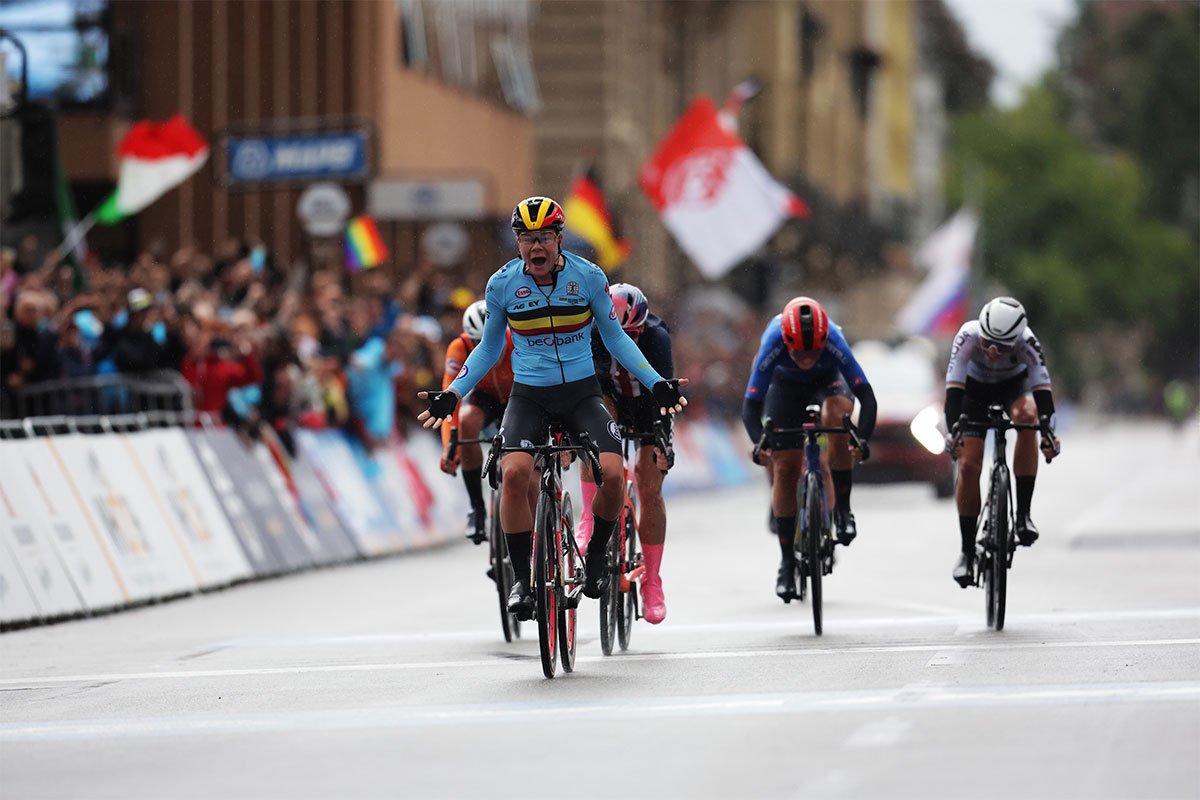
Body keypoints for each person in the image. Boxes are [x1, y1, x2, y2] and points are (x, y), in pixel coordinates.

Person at [418, 196, 687, 621]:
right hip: (529, 396)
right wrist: (453, 393)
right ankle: (523, 581)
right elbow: (488, 350)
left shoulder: (589, 277)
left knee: (614, 476)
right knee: (513, 474)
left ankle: (597, 554)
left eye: (543, 237)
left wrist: (658, 385)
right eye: (526, 239)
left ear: (559, 239)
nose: (535, 247)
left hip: (581, 394)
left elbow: (616, 339)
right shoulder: (501, 284)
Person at [741, 296, 876, 602]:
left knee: (838, 418)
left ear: (823, 341)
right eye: (799, 352)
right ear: (786, 342)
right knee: (785, 468)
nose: (806, 358)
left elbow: (866, 396)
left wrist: (862, 438)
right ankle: (787, 563)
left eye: (814, 350)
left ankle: (842, 509)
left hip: (829, 381)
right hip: (784, 386)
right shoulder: (773, 342)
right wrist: (758, 442)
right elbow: (751, 406)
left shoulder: (834, 340)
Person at [577, 282, 676, 624]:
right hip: (611, 401)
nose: (627, 342)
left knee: (650, 487)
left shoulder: (658, 338)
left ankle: (652, 580)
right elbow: (588, 389)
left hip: (649, 407)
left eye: (634, 334)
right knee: (593, 428)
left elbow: (665, 393)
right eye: (620, 335)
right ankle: (589, 521)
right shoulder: (592, 334)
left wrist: (662, 440)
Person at [945, 296, 1060, 587]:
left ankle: (1022, 515)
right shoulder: (967, 336)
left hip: (1014, 387)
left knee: (1028, 416)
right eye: (988, 343)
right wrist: (952, 433)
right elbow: (953, 393)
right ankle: (967, 551)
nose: (993, 352)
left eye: (1002, 346)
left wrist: (1049, 435)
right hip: (973, 392)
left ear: (1017, 340)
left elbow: (1044, 397)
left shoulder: (1028, 342)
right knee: (969, 465)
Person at [438, 300, 517, 543]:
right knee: (466, 423)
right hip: (485, 397)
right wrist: (450, 448)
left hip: (517, 396)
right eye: (478, 344)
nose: (487, 349)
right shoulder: (458, 348)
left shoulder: (517, 339)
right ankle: (477, 508)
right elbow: (448, 402)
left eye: (493, 340)